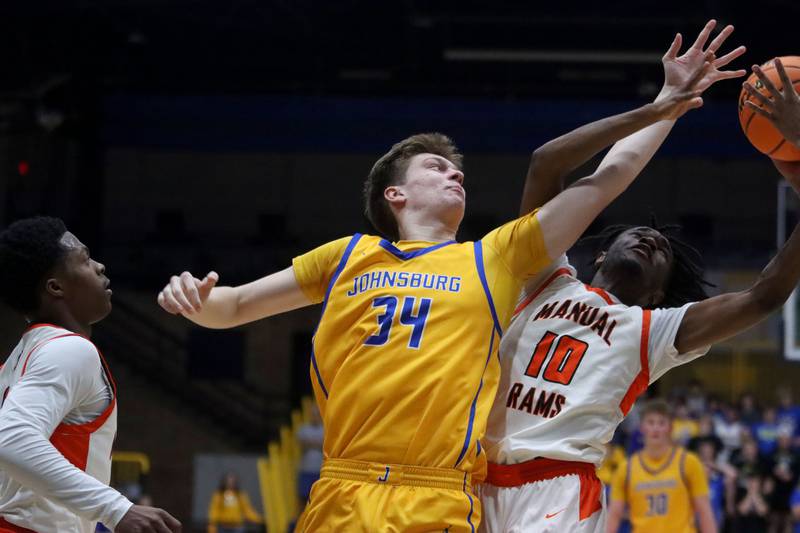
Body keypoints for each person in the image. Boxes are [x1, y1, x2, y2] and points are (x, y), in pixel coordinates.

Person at [157, 27, 711, 531]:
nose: (456, 173)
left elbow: (607, 180)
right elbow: (234, 306)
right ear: (394, 194)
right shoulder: (348, 255)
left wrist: (664, 107)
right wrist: (191, 298)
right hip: (342, 485)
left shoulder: (494, 258)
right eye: (437, 167)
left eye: (457, 170)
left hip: (437, 493)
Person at [480, 19, 748, 532]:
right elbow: (549, 164)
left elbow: (762, 297)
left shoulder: (648, 331)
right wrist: (662, 105)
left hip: (556, 484)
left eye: (661, 251)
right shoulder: (542, 276)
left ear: (657, 292)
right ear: (599, 255)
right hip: (471, 476)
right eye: (636, 234)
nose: (649, 240)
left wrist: (667, 107)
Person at [0, 217, 181, 533]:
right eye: (84, 260)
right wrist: (117, 509)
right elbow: (11, 437)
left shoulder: (18, 359)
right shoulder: (69, 349)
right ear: (56, 287)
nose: (99, 266)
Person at [607, 400, 716, 533]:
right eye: (651, 422)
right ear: (642, 427)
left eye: (661, 423)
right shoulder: (626, 469)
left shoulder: (689, 463)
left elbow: (704, 512)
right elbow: (614, 515)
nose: (656, 428)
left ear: (670, 427)